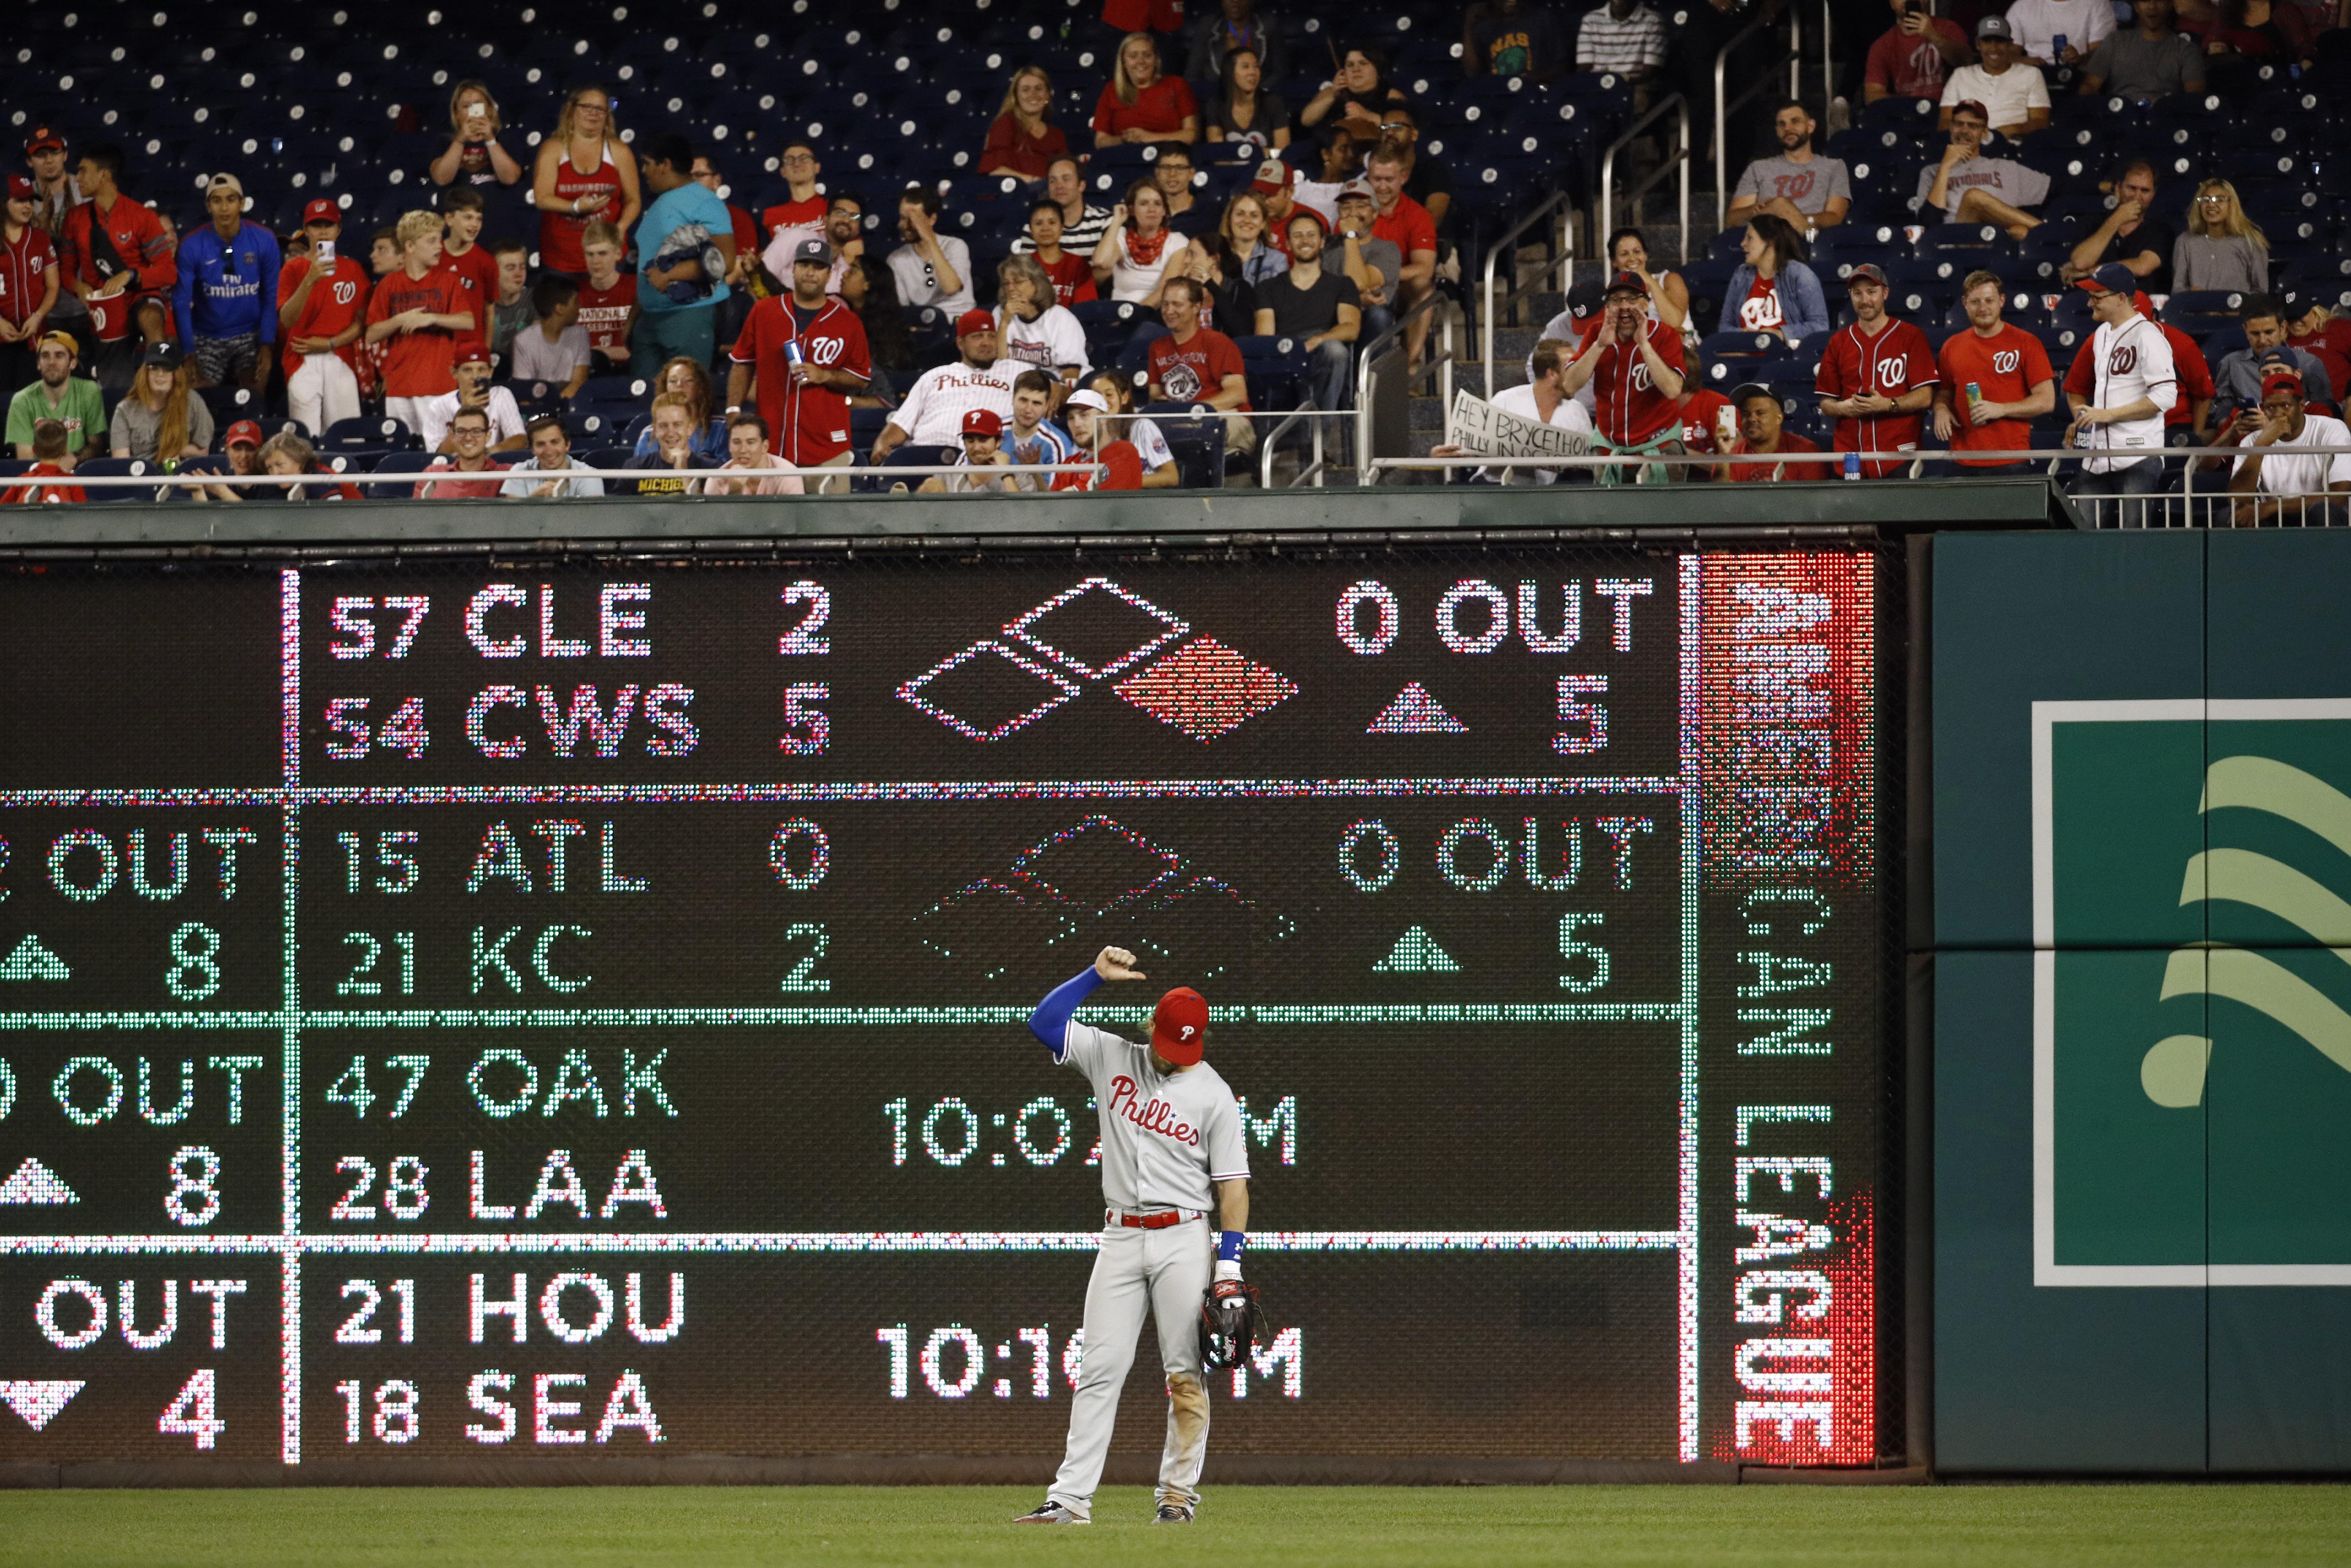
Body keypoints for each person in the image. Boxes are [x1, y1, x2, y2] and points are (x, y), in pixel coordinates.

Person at [1011, 946, 1252, 1528]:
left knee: (1184, 1375)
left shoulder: (1214, 1094)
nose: (1176, 1058)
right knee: (1099, 1368)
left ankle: (1176, 1499)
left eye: (1186, 1048)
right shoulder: (1111, 1056)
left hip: (1183, 1238)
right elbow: (1043, 1023)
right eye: (1170, 1045)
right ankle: (1069, 1501)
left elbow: (1234, 1188)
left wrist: (1228, 1267)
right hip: (1120, 1234)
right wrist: (1094, 977)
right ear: (1152, 1029)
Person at [730, 236, 873, 488]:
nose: (810, 272)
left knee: (831, 525)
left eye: (818, 267)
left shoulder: (848, 323)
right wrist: (733, 411)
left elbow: (860, 378)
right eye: (804, 264)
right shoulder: (764, 312)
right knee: (771, 525)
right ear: (793, 269)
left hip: (827, 447)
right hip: (771, 447)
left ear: (830, 274)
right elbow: (742, 363)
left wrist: (826, 375)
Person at [60, 141, 175, 389]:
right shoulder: (75, 219)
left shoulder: (142, 217)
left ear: (104, 175)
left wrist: (131, 275)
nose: (77, 178)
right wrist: (77, 287)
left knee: (152, 315)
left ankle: (161, 378)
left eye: (83, 171)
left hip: (137, 296)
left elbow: (168, 272)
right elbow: (65, 272)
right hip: (103, 307)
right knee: (116, 386)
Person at [2065, 263, 2178, 515]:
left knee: (2134, 539)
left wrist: (2108, 414)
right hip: (2097, 456)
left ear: (2120, 298)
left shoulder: (2147, 335)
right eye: (2090, 296)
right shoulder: (2102, 334)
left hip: (2138, 454)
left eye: (2097, 297)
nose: (2090, 303)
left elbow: (2166, 396)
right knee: (2085, 538)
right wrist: (2083, 420)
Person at [1816, 263, 1939, 477]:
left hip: (1899, 453)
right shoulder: (1838, 342)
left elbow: (1925, 397)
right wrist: (1844, 408)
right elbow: (1826, 404)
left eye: (1872, 292)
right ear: (1851, 296)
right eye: (1858, 293)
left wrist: (1887, 404)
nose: (1865, 300)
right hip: (1851, 455)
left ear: (1885, 293)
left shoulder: (1911, 336)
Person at [1932, 270, 2057, 474]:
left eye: (1989, 301)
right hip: (1962, 459)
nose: (1983, 308)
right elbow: (1944, 393)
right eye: (1976, 302)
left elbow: (2046, 400)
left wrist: (2000, 409)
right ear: (1964, 303)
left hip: (2010, 459)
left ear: (2002, 300)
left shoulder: (2027, 343)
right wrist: (1941, 410)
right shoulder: (1951, 346)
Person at [362, 210, 474, 435]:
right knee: (403, 455)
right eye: (432, 241)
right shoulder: (388, 285)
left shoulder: (448, 281)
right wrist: (399, 320)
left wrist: (431, 318)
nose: (439, 247)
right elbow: (371, 335)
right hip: (398, 386)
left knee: (440, 453)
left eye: (439, 240)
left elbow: (468, 322)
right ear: (410, 246)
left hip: (438, 385)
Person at [631, 132, 736, 371]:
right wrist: (634, 319)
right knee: (645, 403)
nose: (643, 171)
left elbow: (725, 262)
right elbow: (649, 265)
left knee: (688, 400)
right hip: (650, 317)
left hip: (692, 315)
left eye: (647, 163)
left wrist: (670, 275)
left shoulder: (706, 202)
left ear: (666, 164)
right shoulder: (661, 204)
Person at [171, 174, 280, 398]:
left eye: (231, 200)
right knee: (197, 398)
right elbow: (181, 303)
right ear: (208, 206)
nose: (224, 208)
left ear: (242, 203)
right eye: (217, 201)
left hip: (251, 333)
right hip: (208, 335)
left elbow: (271, 297)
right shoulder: (192, 245)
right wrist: (189, 353)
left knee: (254, 392)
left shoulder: (265, 240)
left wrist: (268, 344)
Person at [1429, 338, 1593, 483]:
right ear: (1552, 374)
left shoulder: (1577, 411)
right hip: (1497, 491)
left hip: (1551, 499)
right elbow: (1467, 446)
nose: (1581, 375)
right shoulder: (1506, 400)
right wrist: (1441, 454)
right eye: (1572, 368)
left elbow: (1590, 463)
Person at [1563, 271, 1687, 456]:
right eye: (1616, 300)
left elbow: (1672, 390)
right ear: (1607, 307)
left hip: (1660, 445)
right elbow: (1568, 387)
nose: (1624, 306)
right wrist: (1599, 346)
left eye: (1632, 299)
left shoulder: (1666, 335)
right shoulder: (1596, 333)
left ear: (1646, 304)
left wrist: (1645, 345)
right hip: (1609, 445)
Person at [871, 310, 1016, 464]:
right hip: (926, 457)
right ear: (961, 344)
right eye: (978, 337)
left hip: (982, 459)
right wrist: (882, 443)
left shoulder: (1016, 372)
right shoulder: (934, 376)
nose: (986, 342)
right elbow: (902, 423)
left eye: (991, 336)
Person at [275, 200, 369, 436]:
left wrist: (330, 343)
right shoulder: (293, 268)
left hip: (341, 356)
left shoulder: (353, 268)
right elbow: (287, 320)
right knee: (306, 438)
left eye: (329, 225)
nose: (323, 231)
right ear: (306, 231)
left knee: (346, 436)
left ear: (338, 230)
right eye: (316, 226)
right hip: (302, 358)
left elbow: (362, 323)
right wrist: (309, 280)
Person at [1253, 210, 1361, 414]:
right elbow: (1265, 337)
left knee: (1336, 351)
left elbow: (1351, 328)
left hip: (1324, 352)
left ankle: (1319, 433)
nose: (1305, 240)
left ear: (1322, 242)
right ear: (1288, 244)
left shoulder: (1343, 285)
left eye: (1312, 235)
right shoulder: (1267, 287)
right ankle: (1310, 436)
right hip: (1286, 353)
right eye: (1298, 235)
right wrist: (1295, 350)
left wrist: (1318, 341)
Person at [533, 85, 640, 279]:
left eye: (600, 109)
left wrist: (618, 230)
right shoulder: (553, 148)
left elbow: (633, 200)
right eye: (587, 107)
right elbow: (542, 198)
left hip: (609, 258)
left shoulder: (620, 151)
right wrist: (575, 207)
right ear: (571, 110)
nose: (594, 114)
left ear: (607, 115)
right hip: (561, 259)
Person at [1148, 275, 1255, 456]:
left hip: (1223, 417)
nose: (1169, 310)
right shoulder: (1157, 347)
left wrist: (1192, 411)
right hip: (1179, 422)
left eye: (1177, 304)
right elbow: (1155, 395)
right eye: (1165, 304)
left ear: (1197, 307)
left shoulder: (1217, 342)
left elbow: (1237, 394)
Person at [2228, 370, 2350, 524]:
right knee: (2232, 516)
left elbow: (2338, 497)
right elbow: (2238, 499)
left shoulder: (2331, 429)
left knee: (2322, 511)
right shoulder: (2253, 441)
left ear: (2301, 406)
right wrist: (2260, 447)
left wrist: (2270, 508)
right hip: (2274, 518)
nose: (2279, 413)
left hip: (2318, 515)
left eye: (2286, 406)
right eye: (2271, 408)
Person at [1917, 101, 2049, 240]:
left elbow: (2058, 189)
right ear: (1951, 127)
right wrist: (1945, 168)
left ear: (1985, 132)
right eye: (1958, 124)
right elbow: (1929, 224)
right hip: (1956, 242)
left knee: (2020, 231)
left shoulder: (2007, 168)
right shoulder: (1931, 172)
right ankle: (2049, 232)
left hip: (1997, 243)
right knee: (1973, 198)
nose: (1964, 130)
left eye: (1973, 126)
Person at [1725, 101, 1852, 234]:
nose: (1788, 128)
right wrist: (1755, 210)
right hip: (1768, 237)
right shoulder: (1758, 168)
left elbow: (1834, 218)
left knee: (1780, 204)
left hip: (1809, 241)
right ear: (1777, 131)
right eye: (1782, 124)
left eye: (1795, 122)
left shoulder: (1834, 167)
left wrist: (1787, 215)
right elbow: (1732, 220)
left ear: (1811, 126)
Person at [2210, 294, 2335, 428]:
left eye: (2269, 332)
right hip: (2250, 439)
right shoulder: (2230, 364)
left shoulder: (2309, 363)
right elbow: (2223, 412)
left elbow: (2324, 415)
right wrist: (2233, 426)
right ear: (2246, 330)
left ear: (2283, 328)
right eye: (2255, 334)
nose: (2263, 341)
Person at [1365, 144, 1438, 363]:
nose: (1383, 187)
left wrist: (1382, 277)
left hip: (1397, 286)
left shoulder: (1417, 215)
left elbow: (1425, 268)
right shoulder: (1357, 208)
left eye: (1390, 180)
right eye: (1377, 179)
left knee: (1424, 290)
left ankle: (1408, 367)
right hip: (1359, 285)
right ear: (1368, 177)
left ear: (1403, 178)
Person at [429, 80, 527, 238]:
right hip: (458, 231)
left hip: (499, 228)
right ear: (457, 113)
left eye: (478, 104)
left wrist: (490, 139)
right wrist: (460, 140)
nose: (472, 110)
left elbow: (510, 178)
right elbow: (442, 178)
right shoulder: (445, 142)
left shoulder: (506, 139)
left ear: (488, 109)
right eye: (466, 106)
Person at [2063, 161, 2172, 292]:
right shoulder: (2091, 223)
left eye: (2145, 191)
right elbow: (2080, 262)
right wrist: (2116, 220)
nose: (2137, 197)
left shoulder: (2161, 230)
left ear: (2154, 194)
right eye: (2132, 188)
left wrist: (2091, 272)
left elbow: (2143, 266)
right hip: (2094, 302)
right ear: (2119, 188)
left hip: (2136, 303)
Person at [1723, 215, 1829, 344]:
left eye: (1750, 238)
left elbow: (1820, 327)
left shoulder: (1800, 275)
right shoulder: (1741, 275)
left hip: (1785, 357)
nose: (1743, 244)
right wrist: (1741, 334)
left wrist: (1781, 334)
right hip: (1745, 352)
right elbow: (1724, 327)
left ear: (1770, 242)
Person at [0, 174, 61, 394]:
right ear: (4, 203)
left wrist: (37, 317)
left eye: (30, 201)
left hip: (34, 338)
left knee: (29, 405)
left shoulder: (41, 239)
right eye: (20, 201)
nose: (28, 207)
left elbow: (53, 287)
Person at [1940, 17, 2051, 137]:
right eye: (1987, 41)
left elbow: (2041, 122)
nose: (1994, 48)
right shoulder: (1960, 75)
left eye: (2000, 41)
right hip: (1967, 146)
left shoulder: (2032, 74)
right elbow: (1945, 123)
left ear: (2011, 44)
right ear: (1978, 44)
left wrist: (2011, 130)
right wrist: (1972, 134)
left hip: (2013, 147)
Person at [110, 340, 212, 466]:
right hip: (139, 477)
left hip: (181, 477)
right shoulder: (125, 410)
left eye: (167, 369)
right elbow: (122, 463)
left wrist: (176, 449)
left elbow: (203, 451)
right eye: (154, 368)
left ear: (176, 375)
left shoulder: (193, 402)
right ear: (145, 373)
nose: (160, 374)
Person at [996, 254, 1090, 388]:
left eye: (1018, 282)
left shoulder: (1061, 318)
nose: (1011, 288)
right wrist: (1004, 324)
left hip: (1053, 388)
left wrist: (1061, 393)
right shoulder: (1000, 314)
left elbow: (1072, 372)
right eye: (1006, 283)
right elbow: (999, 368)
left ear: (1036, 283)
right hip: (1013, 389)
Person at [2077, 0, 2206, 99]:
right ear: (2136, 6)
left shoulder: (2187, 50)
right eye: (2145, 0)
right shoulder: (2115, 42)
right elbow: (2091, 85)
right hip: (2120, 120)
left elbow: (2194, 95)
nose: (2152, 7)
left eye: (2159, 0)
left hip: (2167, 121)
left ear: (2170, 5)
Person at [6, 330, 104, 459]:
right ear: (39, 364)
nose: (52, 362)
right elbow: (25, 459)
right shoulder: (22, 400)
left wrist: (74, 459)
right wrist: (52, 469)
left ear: (73, 363)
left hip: (78, 474)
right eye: (45, 356)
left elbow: (97, 446)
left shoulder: (89, 391)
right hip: (38, 476)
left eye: (59, 356)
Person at [1093, 32, 1201, 148]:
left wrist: (1148, 138)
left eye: (1147, 55)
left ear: (1156, 60)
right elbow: (1100, 142)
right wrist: (1124, 139)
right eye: (1133, 56)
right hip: (1126, 157)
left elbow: (1191, 135)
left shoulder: (1177, 84)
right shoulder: (1111, 90)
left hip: (1168, 155)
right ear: (1124, 62)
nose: (1141, 61)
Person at [1093, 181, 1190, 308]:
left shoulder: (1177, 242)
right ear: (1132, 210)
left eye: (1158, 204)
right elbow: (1102, 261)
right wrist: (1117, 221)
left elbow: (1164, 293)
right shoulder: (1121, 236)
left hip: (1154, 315)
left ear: (1164, 211)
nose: (1152, 209)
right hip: (1117, 312)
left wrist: (1132, 317)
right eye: (1144, 204)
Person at [887, 185, 976, 319]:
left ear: (932, 220)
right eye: (903, 218)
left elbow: (951, 288)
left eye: (913, 220)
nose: (904, 225)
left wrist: (929, 240)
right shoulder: (896, 259)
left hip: (962, 319)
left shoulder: (955, 246)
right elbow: (902, 308)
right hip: (926, 323)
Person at [419, 345, 528, 455]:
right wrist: (465, 410)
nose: (475, 376)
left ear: (491, 372)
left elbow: (520, 440)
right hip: (454, 470)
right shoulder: (439, 406)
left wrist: (485, 454)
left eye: (482, 370)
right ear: (454, 373)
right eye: (468, 370)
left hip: (493, 467)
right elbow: (439, 456)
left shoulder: (501, 395)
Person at [1333, 180, 1403, 342]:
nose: (1353, 213)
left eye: (1361, 206)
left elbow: (1357, 283)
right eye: (1346, 207)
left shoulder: (1388, 249)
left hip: (1368, 323)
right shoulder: (1327, 246)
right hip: (1327, 316)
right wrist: (1357, 299)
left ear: (1375, 213)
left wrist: (1351, 235)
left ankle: (1371, 369)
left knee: (1379, 315)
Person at [1865, 0, 1972, 105]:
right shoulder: (1883, 45)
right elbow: (1872, 95)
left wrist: (1932, 34)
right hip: (1906, 114)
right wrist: (1907, 104)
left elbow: (1966, 61)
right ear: (1892, 3)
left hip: (1947, 111)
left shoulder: (1948, 28)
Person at [1367, 107, 1453, 237]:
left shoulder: (1433, 170)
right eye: (1384, 128)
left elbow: (1432, 220)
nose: (1389, 132)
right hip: (1379, 248)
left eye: (1397, 127)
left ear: (1414, 134)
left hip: (1427, 248)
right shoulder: (1373, 173)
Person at [1298, 45, 1411, 143]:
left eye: (1363, 63)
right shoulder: (1332, 92)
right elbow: (1306, 120)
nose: (1356, 69)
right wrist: (1333, 94)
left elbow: (1402, 130)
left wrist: (1367, 116)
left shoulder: (1391, 95)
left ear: (1378, 70)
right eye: (1350, 65)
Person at [2173, 178, 2269, 295]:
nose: (2211, 205)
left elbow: (2261, 292)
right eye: (2206, 200)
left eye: (2219, 200)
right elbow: (2178, 291)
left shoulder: (2251, 242)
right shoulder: (2185, 242)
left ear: (2231, 205)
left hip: (2238, 311)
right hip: (2198, 310)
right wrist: (2194, 297)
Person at [1086, 372, 1182, 486]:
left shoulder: (1144, 427)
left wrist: (1125, 482)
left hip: (1143, 499)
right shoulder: (1086, 432)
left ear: (1125, 398)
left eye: (1109, 395)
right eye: (1097, 397)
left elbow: (1172, 477)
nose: (1102, 401)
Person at [1722, 381, 1831, 481]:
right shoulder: (1733, 454)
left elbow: (1813, 499)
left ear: (1779, 418)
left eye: (1760, 413)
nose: (1752, 419)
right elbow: (1724, 498)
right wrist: (1725, 455)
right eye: (1746, 414)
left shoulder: (1806, 453)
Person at [1051, 386, 1148, 489]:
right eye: (1071, 418)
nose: (1077, 424)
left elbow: (1082, 497)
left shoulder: (1124, 451)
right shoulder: (1070, 462)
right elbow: (1050, 503)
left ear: (1103, 418)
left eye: (1084, 415)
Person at [1016, 158, 1117, 259]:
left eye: (1066, 179)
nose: (1059, 186)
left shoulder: (1106, 222)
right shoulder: (1035, 227)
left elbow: (1107, 267)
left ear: (1082, 185)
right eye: (1053, 181)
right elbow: (1028, 272)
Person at [983, 66, 1071, 181]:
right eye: (1026, 90)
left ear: (1048, 95)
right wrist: (1034, 182)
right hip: (1014, 194)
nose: (1033, 94)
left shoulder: (1057, 135)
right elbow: (996, 171)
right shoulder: (1006, 124)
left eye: (1039, 89)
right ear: (1016, 96)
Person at [434, 187, 500, 340]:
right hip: (437, 347)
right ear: (449, 219)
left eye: (479, 219)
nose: (475, 225)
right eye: (468, 218)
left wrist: (486, 351)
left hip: (470, 350)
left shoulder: (486, 262)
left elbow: (489, 309)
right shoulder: (432, 255)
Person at [513, 276, 593, 399]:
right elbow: (524, 390)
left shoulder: (580, 335)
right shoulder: (523, 341)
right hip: (537, 406)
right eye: (575, 302)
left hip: (569, 404)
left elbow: (579, 382)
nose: (579, 307)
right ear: (559, 309)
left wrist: (556, 407)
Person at [1601, 227, 1690, 336]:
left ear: (1645, 255)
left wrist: (1651, 283)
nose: (1632, 259)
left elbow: (1675, 323)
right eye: (1624, 254)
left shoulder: (1669, 280)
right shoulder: (1613, 295)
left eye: (1637, 252)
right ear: (1614, 261)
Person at [634, 356, 727, 460]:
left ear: (700, 387)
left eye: (688, 380)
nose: (679, 385)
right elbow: (641, 471)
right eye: (673, 381)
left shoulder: (721, 428)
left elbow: (725, 473)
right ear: (665, 388)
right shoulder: (649, 434)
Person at [574, 221, 638, 372]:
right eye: (590, 254)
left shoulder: (636, 288)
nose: (596, 261)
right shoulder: (573, 293)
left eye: (603, 253)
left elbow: (644, 350)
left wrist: (600, 352)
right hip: (585, 374)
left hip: (628, 371)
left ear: (618, 254)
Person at [696, 409, 805, 496]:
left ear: (765, 446)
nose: (743, 450)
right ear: (729, 446)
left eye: (751, 442)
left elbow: (794, 520)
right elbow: (718, 522)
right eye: (737, 442)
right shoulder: (716, 480)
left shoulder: (787, 475)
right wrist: (734, 492)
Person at [499, 412, 608, 498]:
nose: (549, 451)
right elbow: (514, 520)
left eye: (555, 442)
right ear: (532, 450)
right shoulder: (519, 472)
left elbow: (592, 520)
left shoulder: (589, 475)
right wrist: (534, 500)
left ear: (567, 445)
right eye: (541, 444)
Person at [624, 394, 716, 494]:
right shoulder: (634, 468)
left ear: (690, 428)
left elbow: (705, 509)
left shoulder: (710, 470)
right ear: (655, 430)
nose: (671, 433)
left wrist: (683, 472)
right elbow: (616, 508)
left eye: (677, 425)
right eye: (663, 426)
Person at [1204, 46, 1292, 152]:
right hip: (1230, 167)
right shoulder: (1216, 105)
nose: (1253, 72)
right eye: (1246, 67)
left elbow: (1283, 152)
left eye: (1256, 67)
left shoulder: (1273, 103)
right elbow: (1217, 153)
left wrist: (1251, 155)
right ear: (1230, 72)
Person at [757, 143, 830, 270]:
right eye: (789, 160)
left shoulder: (832, 209)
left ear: (817, 167)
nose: (797, 164)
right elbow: (763, 260)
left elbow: (852, 254)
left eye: (805, 159)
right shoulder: (770, 215)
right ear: (783, 172)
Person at [1575, 0, 1669, 94]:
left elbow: (1650, 73)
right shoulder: (1590, 20)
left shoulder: (1653, 21)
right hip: (1597, 91)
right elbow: (1584, 68)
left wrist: (1618, 86)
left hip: (1636, 91)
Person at [414, 405, 508, 498]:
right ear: (453, 436)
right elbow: (416, 512)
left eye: (476, 431)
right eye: (461, 431)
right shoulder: (433, 474)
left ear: (488, 436)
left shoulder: (507, 475)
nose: (468, 438)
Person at [1023, 200, 1101, 310]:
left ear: (1062, 228)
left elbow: (1086, 310)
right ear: (1031, 230)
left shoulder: (1079, 265)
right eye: (1039, 223)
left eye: (1052, 222)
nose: (1046, 228)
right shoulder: (1021, 266)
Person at [1188, 0, 1288, 85]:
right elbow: (1192, 75)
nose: (1234, 2)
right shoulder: (1207, 26)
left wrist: (1261, 92)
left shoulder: (1269, 25)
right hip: (1218, 97)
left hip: (1259, 94)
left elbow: (1280, 72)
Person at [1465, 0, 1572, 80]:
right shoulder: (1484, 29)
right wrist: (1469, 24)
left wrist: (1535, 78)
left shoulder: (1543, 18)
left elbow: (1563, 66)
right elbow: (1472, 72)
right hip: (1499, 94)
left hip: (1537, 93)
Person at [2004, 0, 2116, 68]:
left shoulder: (2097, 4)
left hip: (2080, 76)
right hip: (2033, 77)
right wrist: (2023, 61)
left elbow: (2102, 54)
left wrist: (2079, 59)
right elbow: (2008, 52)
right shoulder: (2021, 7)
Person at [2286, 290, 2351, 405]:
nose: (2296, 322)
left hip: (2343, 407)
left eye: (2300, 315)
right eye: (2290, 317)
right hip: (2301, 410)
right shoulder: (2282, 341)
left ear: (2315, 310)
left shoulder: (2339, 328)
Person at [189, 418, 270, 502]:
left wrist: (222, 491)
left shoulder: (271, 482)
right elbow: (206, 514)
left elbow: (257, 515)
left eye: (250, 449)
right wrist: (197, 491)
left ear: (260, 451)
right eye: (237, 449)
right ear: (227, 450)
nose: (243, 456)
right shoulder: (220, 480)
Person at [22, 127, 79, 246]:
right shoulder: (21, 197)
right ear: (29, 161)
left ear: (65, 155)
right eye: (41, 155)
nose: (49, 160)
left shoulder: (85, 189)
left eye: (54, 153)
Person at [1220, 192, 1289, 290]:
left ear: (1263, 224)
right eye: (1240, 214)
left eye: (1254, 215)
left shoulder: (1277, 260)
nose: (1247, 220)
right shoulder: (1215, 257)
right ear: (1229, 220)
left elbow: (1278, 301)